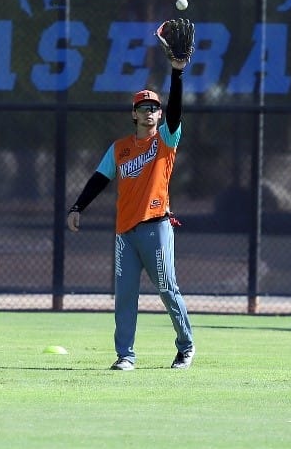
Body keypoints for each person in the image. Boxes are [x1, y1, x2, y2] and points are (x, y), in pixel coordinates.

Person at [66, 59, 195, 371]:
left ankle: (186, 346)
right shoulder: (120, 148)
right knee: (124, 297)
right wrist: (77, 207)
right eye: (143, 107)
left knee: (167, 288)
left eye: (154, 108)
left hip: (157, 228)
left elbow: (177, 110)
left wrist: (177, 73)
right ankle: (126, 355)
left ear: (160, 115)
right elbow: (99, 179)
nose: (149, 112)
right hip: (125, 233)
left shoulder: (166, 140)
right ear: (134, 113)